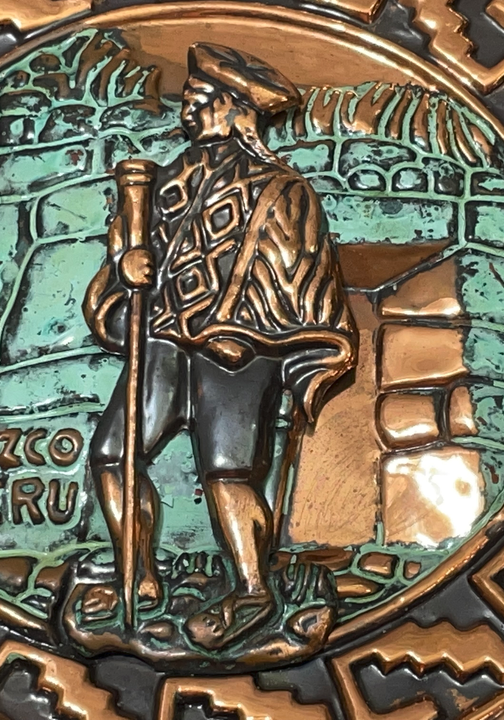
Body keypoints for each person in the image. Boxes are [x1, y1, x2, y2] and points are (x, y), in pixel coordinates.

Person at [82, 42, 356, 649]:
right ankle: (139, 575)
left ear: (237, 108)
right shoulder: (165, 184)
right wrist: (126, 265)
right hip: (162, 341)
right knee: (112, 455)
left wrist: (260, 331)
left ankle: (253, 587)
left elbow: (297, 272)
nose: (188, 112)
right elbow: (130, 254)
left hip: (237, 348)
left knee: (228, 472)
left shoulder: (281, 189)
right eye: (187, 99)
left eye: (200, 100)